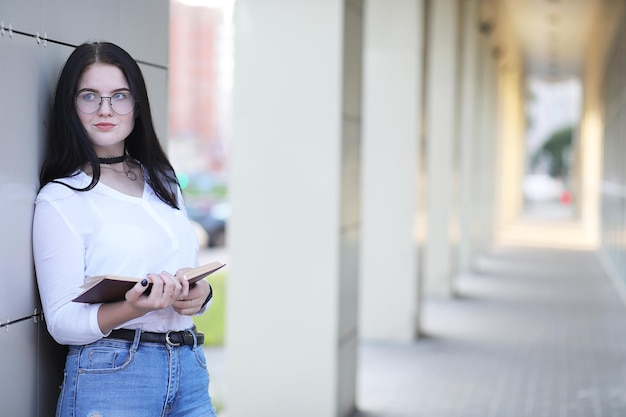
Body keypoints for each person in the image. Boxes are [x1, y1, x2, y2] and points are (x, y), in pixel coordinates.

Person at [33, 41, 218, 416]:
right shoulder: (61, 198)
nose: (106, 109)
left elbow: (188, 269)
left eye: (120, 96)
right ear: (71, 106)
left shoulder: (162, 180)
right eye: (90, 96)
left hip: (189, 367)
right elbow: (62, 322)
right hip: (114, 375)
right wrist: (130, 307)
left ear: (137, 107)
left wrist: (200, 294)